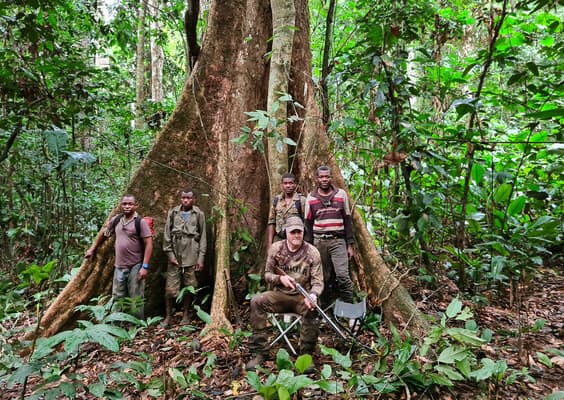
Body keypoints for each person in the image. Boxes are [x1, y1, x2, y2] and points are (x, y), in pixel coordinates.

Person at [246, 216, 324, 371]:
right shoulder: (276, 248)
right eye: (293, 232)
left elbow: (318, 281)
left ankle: (306, 356)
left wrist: (313, 295)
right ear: (286, 233)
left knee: (313, 307)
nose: (296, 235)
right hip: (280, 295)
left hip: (302, 297)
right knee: (256, 301)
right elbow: (267, 274)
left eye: (299, 232)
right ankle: (260, 353)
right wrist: (280, 279)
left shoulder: (312, 252)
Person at [85, 194, 153, 319]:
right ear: (121, 205)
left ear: (135, 205)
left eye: (130, 204)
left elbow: (149, 244)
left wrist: (145, 266)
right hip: (119, 265)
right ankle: (116, 323)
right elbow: (105, 234)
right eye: (124, 204)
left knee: (136, 296)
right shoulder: (116, 220)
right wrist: (92, 248)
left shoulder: (140, 222)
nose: (127, 206)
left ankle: (137, 325)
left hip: (136, 265)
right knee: (117, 296)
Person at [304, 166, 355, 306]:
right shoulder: (311, 198)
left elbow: (347, 220)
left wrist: (350, 244)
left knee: (343, 276)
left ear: (331, 177)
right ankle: (325, 310)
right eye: (321, 177)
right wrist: (308, 246)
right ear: (317, 178)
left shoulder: (341, 195)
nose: (324, 179)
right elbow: (308, 223)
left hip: (338, 241)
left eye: (327, 176)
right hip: (319, 242)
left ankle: (349, 308)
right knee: (322, 278)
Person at [162, 188, 207, 326]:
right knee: (170, 288)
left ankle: (186, 314)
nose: (185, 200)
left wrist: (201, 258)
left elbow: (203, 236)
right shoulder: (173, 212)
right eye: (183, 198)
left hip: (192, 252)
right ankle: (168, 316)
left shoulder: (199, 214)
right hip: (175, 252)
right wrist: (170, 254)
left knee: (190, 286)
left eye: (188, 198)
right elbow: (167, 234)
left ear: (193, 199)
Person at [266, 172, 307, 252]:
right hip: (279, 239)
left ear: (295, 184)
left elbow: (306, 222)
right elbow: (271, 222)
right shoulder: (276, 200)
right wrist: (270, 244)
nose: (288, 186)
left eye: (290, 183)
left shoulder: (301, 201)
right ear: (282, 185)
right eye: (285, 183)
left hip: (295, 240)